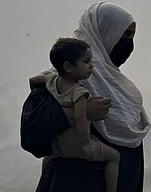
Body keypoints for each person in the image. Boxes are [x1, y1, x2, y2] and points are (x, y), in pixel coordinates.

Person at [32, 1, 151, 192]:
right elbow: (34, 129)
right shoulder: (61, 76)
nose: (129, 43)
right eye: (124, 34)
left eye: (132, 35)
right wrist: (80, 113)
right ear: (105, 32)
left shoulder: (119, 85)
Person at [29, 37, 120, 192]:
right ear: (68, 67)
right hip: (75, 145)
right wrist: (86, 144)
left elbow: (33, 80)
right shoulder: (80, 92)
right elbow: (80, 118)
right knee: (114, 156)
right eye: (86, 62)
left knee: (49, 158)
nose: (91, 66)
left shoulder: (52, 79)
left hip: (57, 144)